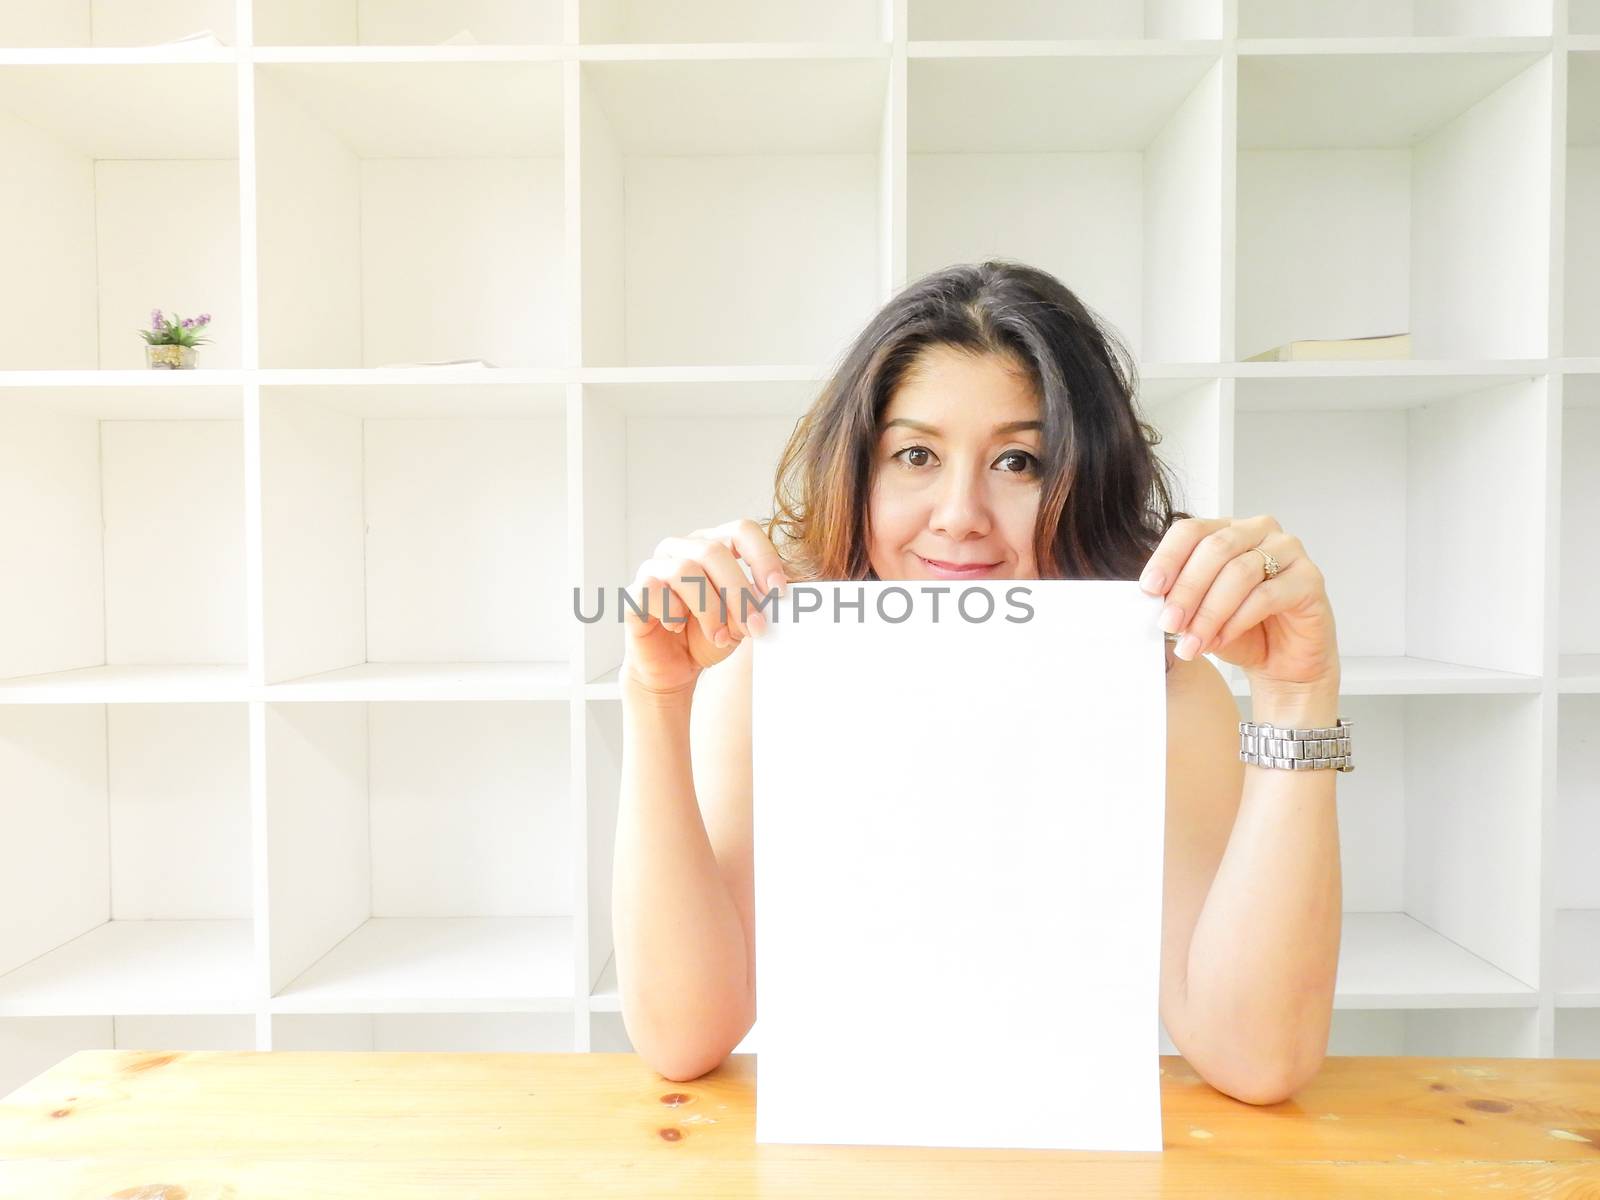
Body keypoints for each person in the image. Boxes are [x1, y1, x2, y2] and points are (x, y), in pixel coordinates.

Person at [611, 260, 1343, 1105]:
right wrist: (656, 698)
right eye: (916, 453)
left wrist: (1298, 696)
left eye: (1019, 461)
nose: (960, 513)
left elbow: (1260, 1060)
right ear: (860, 473)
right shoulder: (770, 677)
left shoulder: (1164, 692)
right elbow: (681, 1037)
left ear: (1085, 482)